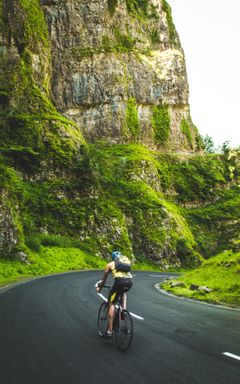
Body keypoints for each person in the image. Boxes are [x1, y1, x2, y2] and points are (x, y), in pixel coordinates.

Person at [96, 251, 133, 337]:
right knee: (123, 292)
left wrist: (100, 288)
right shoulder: (125, 263)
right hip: (130, 282)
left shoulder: (110, 265)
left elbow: (104, 280)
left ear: (113, 258)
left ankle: (109, 331)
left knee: (111, 303)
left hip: (119, 282)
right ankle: (123, 311)